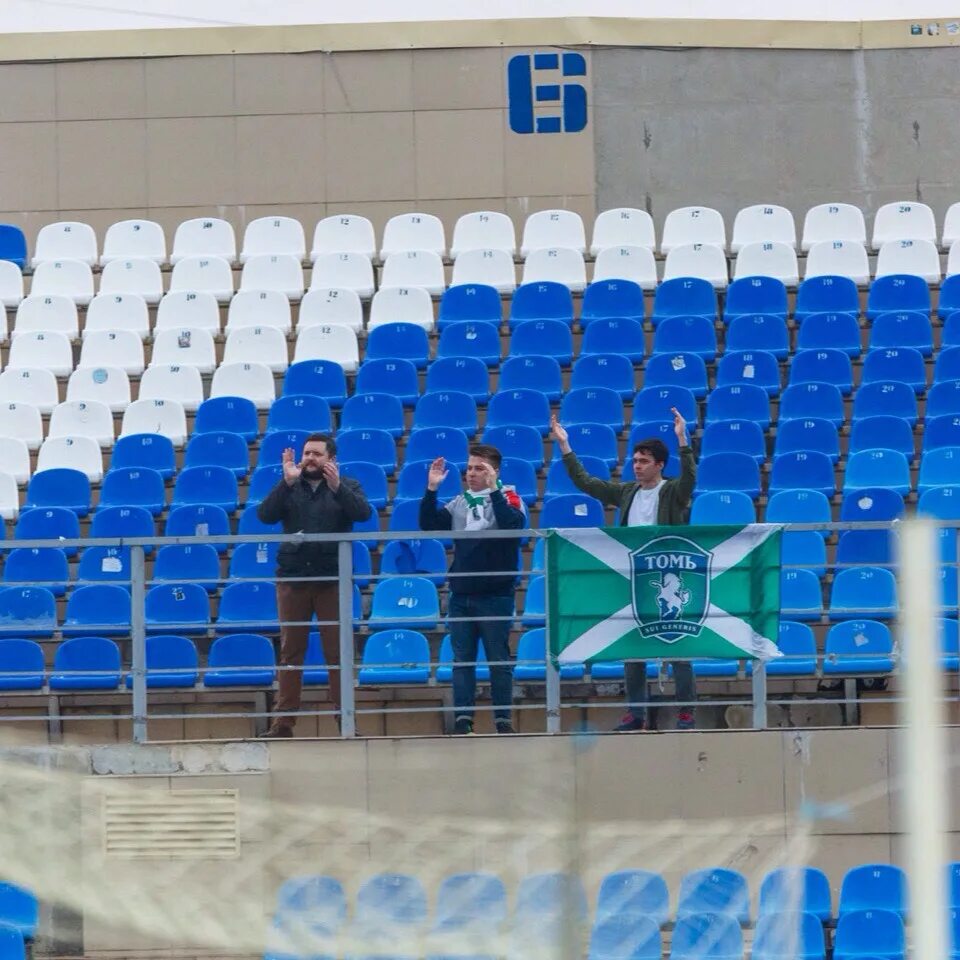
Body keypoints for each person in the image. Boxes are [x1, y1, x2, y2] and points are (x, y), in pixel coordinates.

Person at [550, 408, 698, 731]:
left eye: (644, 460)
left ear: (660, 464)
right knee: (633, 647)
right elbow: (586, 483)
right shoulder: (626, 491)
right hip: (634, 579)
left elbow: (689, 479)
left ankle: (686, 710)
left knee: (678, 644)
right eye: (635, 459)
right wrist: (565, 446)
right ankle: (636, 713)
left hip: (668, 576)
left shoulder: (673, 491)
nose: (637, 465)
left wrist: (683, 439)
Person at [257, 433, 371, 738]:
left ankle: (345, 720)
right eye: (306, 453)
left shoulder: (347, 485)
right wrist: (286, 483)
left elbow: (363, 513)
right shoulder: (290, 486)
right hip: (293, 578)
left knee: (337, 653)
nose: (310, 458)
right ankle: (283, 723)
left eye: (317, 454)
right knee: (291, 652)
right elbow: (265, 515)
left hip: (331, 579)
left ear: (331, 459)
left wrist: (337, 488)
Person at [420, 444, 526, 735]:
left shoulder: (510, 497)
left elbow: (512, 527)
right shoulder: (459, 502)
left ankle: (503, 721)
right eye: (469, 468)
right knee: (462, 661)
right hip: (462, 594)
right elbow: (428, 525)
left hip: (496, 594)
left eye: (480, 468)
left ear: (495, 471)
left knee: (498, 660)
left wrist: (494, 490)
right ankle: (464, 720)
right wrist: (431, 489)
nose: (472, 474)